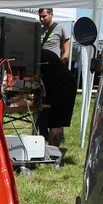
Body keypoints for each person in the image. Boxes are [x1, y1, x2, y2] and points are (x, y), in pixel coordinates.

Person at [37, 9, 75, 147]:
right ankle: (42, 143)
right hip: (43, 76)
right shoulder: (38, 31)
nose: (42, 19)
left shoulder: (61, 28)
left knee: (56, 116)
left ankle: (54, 147)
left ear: (51, 15)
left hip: (57, 74)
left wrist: (59, 66)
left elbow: (66, 51)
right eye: (40, 17)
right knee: (42, 113)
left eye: (44, 16)